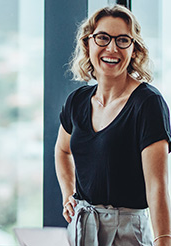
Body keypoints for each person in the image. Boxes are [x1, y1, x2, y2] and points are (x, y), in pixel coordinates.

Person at [55, 5, 171, 246]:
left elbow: (157, 185)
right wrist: (68, 193)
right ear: (88, 43)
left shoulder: (148, 104)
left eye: (122, 40)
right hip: (82, 228)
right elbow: (62, 150)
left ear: (134, 49)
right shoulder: (76, 101)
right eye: (103, 38)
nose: (112, 48)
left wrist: (164, 241)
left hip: (128, 233)